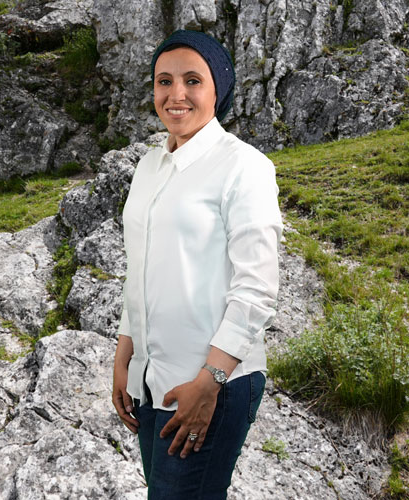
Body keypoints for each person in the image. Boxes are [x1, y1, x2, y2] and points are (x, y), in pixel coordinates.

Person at [112, 29, 283, 499]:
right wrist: (125, 353)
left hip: (210, 384)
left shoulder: (244, 167)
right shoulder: (149, 166)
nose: (176, 94)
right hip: (152, 381)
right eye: (164, 81)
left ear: (218, 89)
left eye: (193, 80)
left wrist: (210, 382)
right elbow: (142, 267)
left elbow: (257, 287)